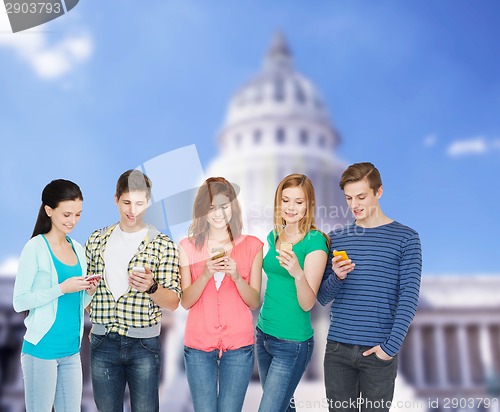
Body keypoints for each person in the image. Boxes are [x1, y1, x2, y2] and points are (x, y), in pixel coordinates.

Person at [318, 162, 422, 412]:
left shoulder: (406, 238)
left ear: (379, 192)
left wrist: (389, 349)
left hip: (378, 352)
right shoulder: (337, 237)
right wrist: (337, 277)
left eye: (362, 196)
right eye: (349, 198)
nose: (354, 205)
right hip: (337, 351)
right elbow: (322, 297)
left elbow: (408, 297)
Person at [85, 169, 181, 412]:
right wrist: (95, 317)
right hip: (102, 342)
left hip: (144, 345)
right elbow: (84, 290)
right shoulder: (96, 240)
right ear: (116, 199)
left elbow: (173, 302)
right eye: (127, 202)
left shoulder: (162, 244)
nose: (133, 210)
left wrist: (151, 287)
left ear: (148, 201)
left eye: (139, 203)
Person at [13, 179, 98, 412]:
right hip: (41, 351)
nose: (73, 221)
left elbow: (75, 303)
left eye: (78, 215)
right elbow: (19, 301)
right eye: (67, 214)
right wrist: (61, 288)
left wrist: (89, 291)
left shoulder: (78, 249)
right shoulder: (35, 248)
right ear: (49, 211)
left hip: (71, 351)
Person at [179, 177, 263, 412]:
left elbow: (254, 301)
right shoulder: (186, 247)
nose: (217, 214)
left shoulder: (253, 246)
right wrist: (205, 274)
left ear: (233, 207)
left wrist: (236, 277)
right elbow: (186, 301)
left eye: (224, 206)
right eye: (211, 208)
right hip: (198, 346)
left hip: (239, 346)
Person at [256, 173, 329, 412]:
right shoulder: (274, 235)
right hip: (263, 335)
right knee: (284, 408)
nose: (291, 207)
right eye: (286, 200)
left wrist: (297, 272)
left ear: (308, 206)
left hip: (292, 343)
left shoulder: (315, 241)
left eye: (298, 202)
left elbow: (308, 303)